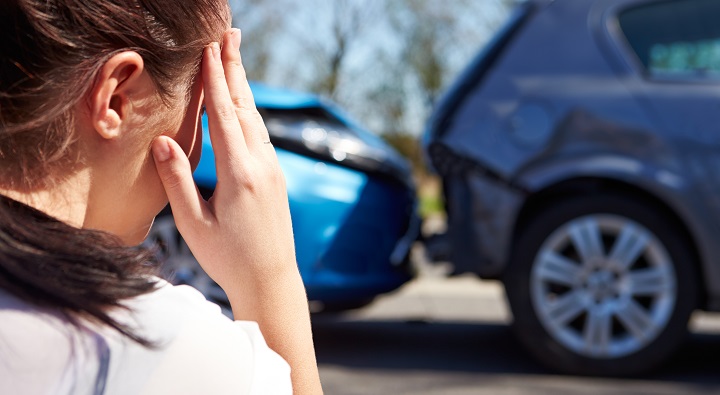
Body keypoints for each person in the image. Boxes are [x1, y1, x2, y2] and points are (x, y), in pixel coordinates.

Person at [0, 0, 323, 394]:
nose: (197, 151)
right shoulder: (167, 348)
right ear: (118, 98)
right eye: (201, 111)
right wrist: (272, 282)